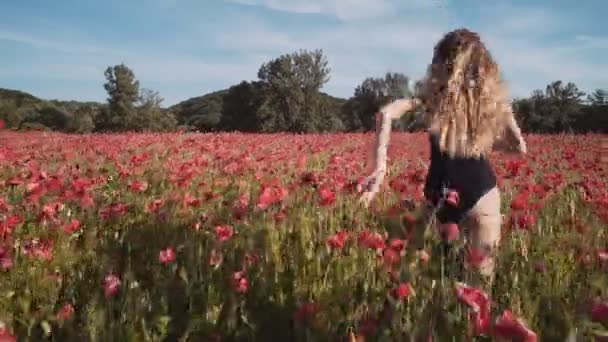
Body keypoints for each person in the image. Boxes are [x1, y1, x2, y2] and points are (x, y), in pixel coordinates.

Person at [359, 28, 527, 286]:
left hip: (440, 194)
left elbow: (386, 114)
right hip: (482, 194)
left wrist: (379, 168)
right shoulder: (494, 103)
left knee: (439, 277)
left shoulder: (431, 100)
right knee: (477, 290)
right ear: (482, 64)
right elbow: (518, 146)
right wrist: (479, 142)